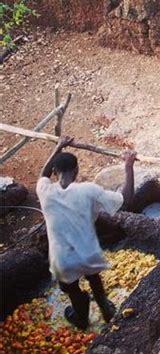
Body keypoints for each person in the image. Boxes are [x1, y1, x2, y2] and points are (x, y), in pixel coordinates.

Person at [36, 136, 137, 329]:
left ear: (56, 172)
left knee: (72, 289)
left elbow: (43, 174)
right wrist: (128, 166)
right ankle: (106, 309)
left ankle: (81, 317)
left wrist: (58, 147)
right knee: (94, 279)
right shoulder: (88, 191)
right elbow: (127, 199)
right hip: (88, 254)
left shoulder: (44, 191)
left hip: (62, 259)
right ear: (77, 171)